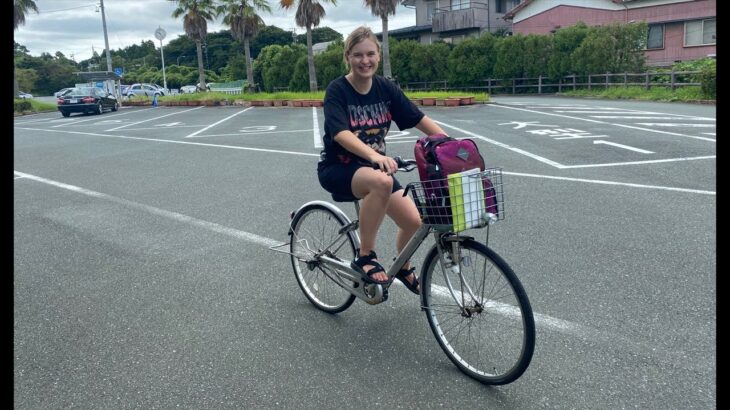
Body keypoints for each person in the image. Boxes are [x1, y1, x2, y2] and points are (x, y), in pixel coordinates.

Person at [317, 26, 448, 295]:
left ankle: (402, 266)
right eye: (358, 55)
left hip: (375, 169)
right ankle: (365, 255)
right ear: (347, 57)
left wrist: (448, 143)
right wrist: (375, 156)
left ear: (378, 55)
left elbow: (417, 118)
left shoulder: (385, 88)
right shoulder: (337, 90)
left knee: (415, 222)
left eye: (370, 54)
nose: (365, 61)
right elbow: (340, 133)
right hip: (338, 168)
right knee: (381, 182)